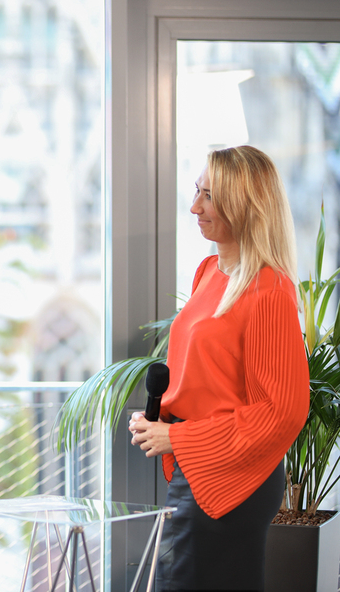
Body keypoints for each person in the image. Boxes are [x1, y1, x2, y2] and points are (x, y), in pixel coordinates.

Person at [128, 145, 308, 591]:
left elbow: (282, 411)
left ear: (244, 205)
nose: (195, 207)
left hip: (233, 479)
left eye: (208, 196)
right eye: (197, 191)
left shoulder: (269, 290)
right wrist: (161, 420)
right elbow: (209, 375)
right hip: (195, 469)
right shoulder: (209, 271)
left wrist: (178, 437)